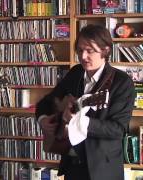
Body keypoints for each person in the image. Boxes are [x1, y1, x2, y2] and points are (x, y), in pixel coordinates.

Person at [35, 24, 135, 180]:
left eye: (90, 51)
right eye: (80, 50)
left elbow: (117, 129)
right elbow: (47, 102)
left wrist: (80, 121)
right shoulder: (75, 73)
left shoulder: (122, 82)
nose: (83, 56)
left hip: (103, 170)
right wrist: (43, 120)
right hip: (72, 165)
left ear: (105, 50)